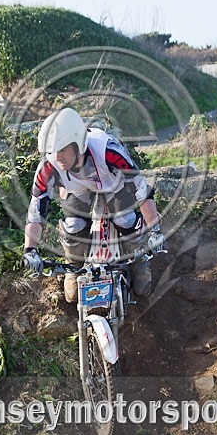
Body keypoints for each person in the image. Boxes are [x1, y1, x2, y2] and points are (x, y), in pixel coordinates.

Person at [21, 107, 165, 303]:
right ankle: (74, 264)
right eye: (53, 151)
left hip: (114, 184)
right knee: (73, 226)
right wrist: (30, 251)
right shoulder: (48, 166)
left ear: (78, 145)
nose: (57, 157)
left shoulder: (109, 151)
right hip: (78, 190)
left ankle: (139, 261)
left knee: (125, 219)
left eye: (62, 149)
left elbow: (142, 192)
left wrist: (155, 231)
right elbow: (36, 210)